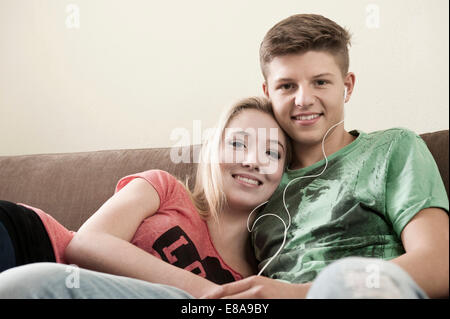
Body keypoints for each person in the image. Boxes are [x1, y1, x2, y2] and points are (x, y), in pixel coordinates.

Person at [202, 14, 449, 299]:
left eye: (320, 82)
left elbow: (439, 262)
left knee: (336, 278)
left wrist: (300, 294)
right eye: (287, 86)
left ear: (348, 86)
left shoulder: (393, 147)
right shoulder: (259, 178)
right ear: (267, 92)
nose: (304, 99)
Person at [0, 96, 290, 298]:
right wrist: (207, 292)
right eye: (238, 143)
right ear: (213, 151)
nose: (253, 161)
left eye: (271, 152)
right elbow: (86, 243)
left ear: (285, 174)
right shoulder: (164, 188)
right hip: (30, 243)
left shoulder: (256, 281)